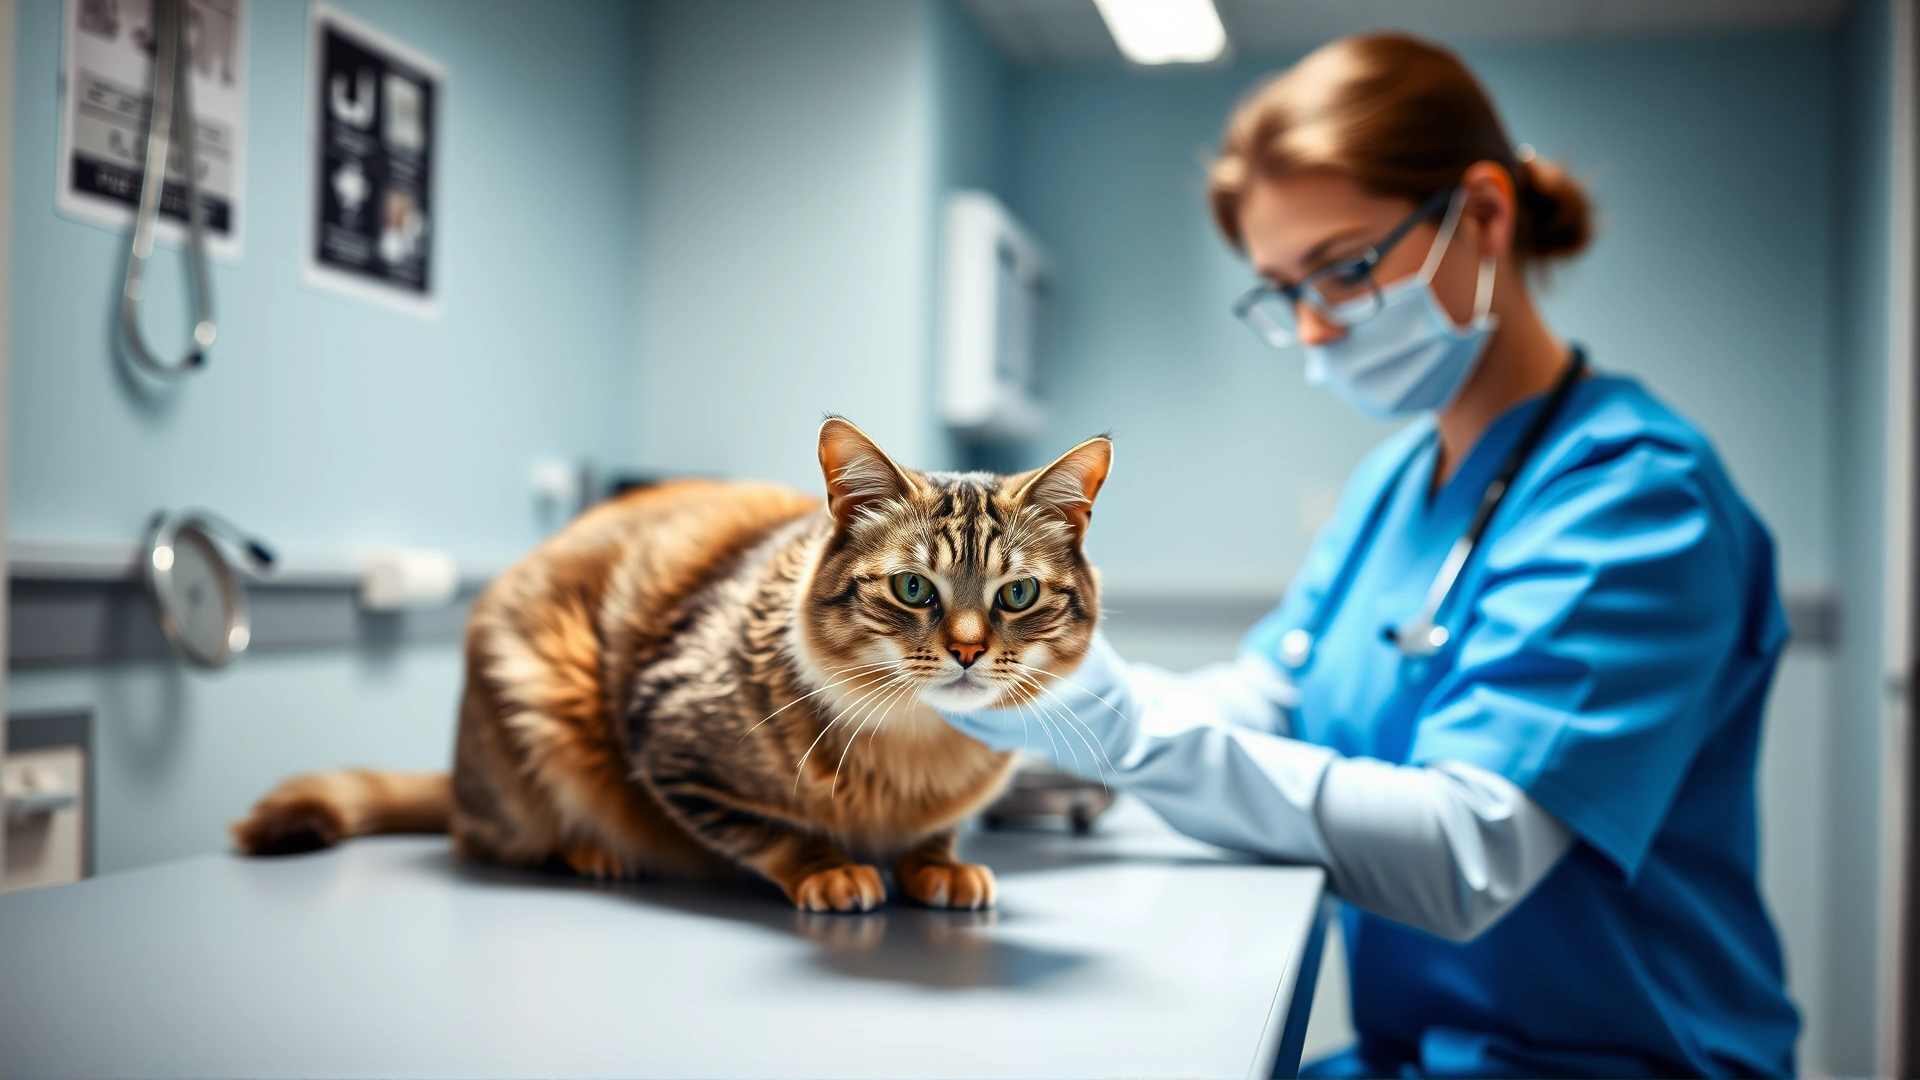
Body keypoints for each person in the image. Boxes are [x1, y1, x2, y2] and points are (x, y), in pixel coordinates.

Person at [939, 32, 1799, 1078]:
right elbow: (1274, 694)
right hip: (1416, 1054)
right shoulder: (1398, 481)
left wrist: (1122, 730)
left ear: (1482, 217)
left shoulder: (1640, 499)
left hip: (1610, 1060)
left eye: (1343, 269)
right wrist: (1027, 741)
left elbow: (1466, 851)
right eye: (1283, 291)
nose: (1314, 329)